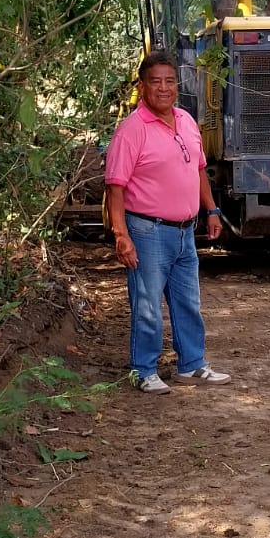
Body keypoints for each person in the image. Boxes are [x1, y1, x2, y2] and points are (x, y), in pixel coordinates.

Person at [104, 50, 231, 394]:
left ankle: (192, 364)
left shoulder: (186, 121)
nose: (163, 88)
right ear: (142, 87)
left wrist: (212, 210)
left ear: (177, 85)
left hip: (185, 231)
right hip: (147, 231)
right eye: (155, 82)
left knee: (188, 301)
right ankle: (143, 370)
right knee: (147, 305)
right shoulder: (131, 131)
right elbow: (115, 188)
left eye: (169, 81)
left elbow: (199, 169)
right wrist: (121, 235)